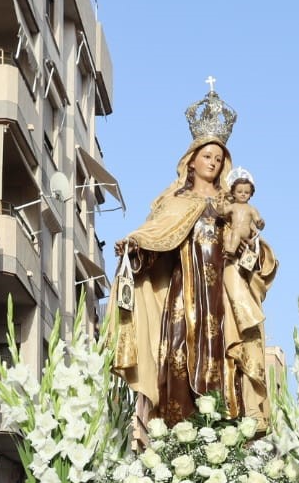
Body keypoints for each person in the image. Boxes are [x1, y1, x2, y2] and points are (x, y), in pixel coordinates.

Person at [111, 87, 275, 427]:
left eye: (218, 159)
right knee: (176, 360)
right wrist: (134, 250)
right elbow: (156, 240)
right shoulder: (173, 202)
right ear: (192, 159)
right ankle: (177, 439)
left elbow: (255, 252)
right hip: (182, 296)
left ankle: (222, 437)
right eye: (207, 156)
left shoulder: (232, 206)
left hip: (220, 300)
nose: (213, 163)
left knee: (223, 362)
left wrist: (251, 253)